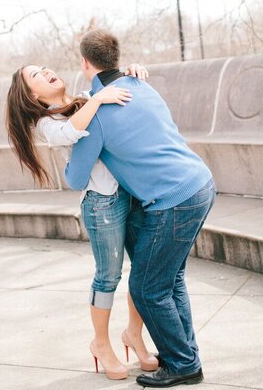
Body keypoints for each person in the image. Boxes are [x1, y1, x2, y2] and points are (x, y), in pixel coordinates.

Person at [64, 29, 216, 388]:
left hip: (174, 201)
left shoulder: (97, 113)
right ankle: (183, 355)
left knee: (148, 287)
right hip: (200, 183)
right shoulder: (142, 85)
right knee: (170, 280)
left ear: (85, 63)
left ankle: (183, 365)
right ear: (117, 59)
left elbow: (74, 177)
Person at [6, 62, 159, 381]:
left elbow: (112, 98)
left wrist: (129, 70)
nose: (47, 71)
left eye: (45, 67)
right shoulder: (46, 122)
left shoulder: (84, 98)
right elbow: (70, 131)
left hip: (130, 193)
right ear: (32, 94)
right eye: (37, 74)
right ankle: (101, 344)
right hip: (101, 204)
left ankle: (133, 333)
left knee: (143, 268)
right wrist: (98, 100)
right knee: (108, 277)